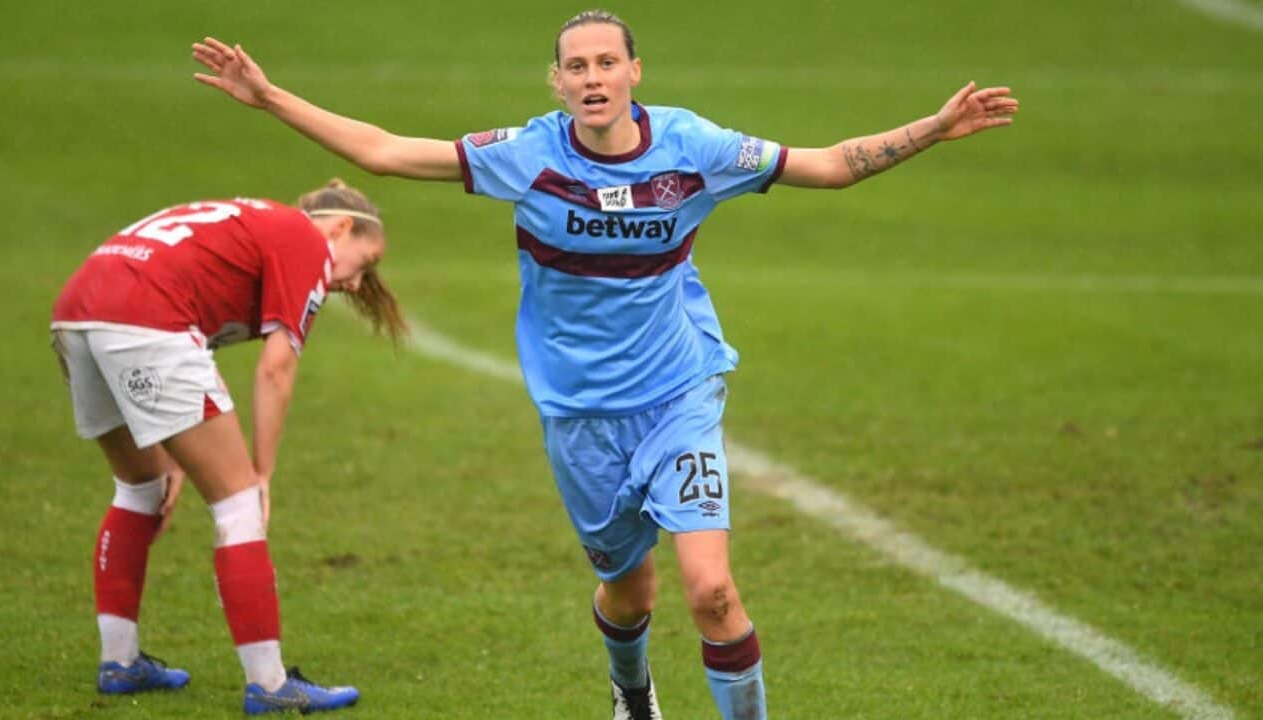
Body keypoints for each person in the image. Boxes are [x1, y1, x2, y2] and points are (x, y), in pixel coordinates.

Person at [192, 10, 1017, 719]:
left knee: (711, 592)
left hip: (677, 393)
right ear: (556, 81)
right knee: (632, 594)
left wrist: (932, 129)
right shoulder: (530, 155)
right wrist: (267, 96)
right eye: (577, 66)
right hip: (580, 415)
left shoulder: (693, 146)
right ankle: (630, 693)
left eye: (607, 63)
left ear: (634, 73)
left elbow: (830, 165)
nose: (594, 78)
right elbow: (380, 151)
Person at [50, 180, 406, 715]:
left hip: (78, 314)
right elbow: (276, 369)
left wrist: (173, 454)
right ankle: (269, 684)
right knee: (238, 505)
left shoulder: (249, 222)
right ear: (342, 228)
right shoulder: (305, 242)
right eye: (368, 259)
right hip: (145, 321)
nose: (358, 284)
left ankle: (119, 663)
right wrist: (261, 473)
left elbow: (180, 297)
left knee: (141, 487)